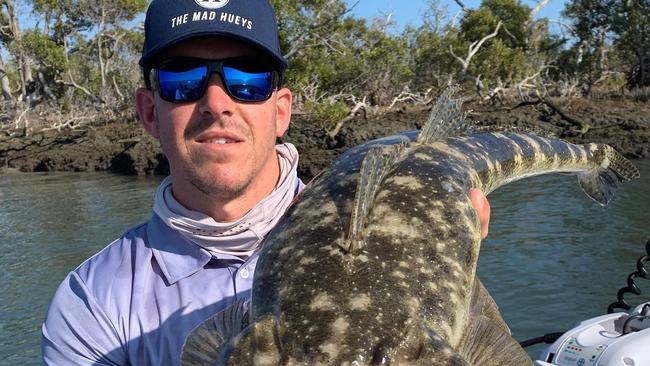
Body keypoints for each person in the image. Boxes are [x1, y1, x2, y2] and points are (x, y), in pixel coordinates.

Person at [41, 0, 491, 364]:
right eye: (183, 79)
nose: (216, 102)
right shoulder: (94, 304)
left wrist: (453, 259)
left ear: (281, 110)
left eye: (247, 80)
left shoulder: (395, 224)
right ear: (147, 111)